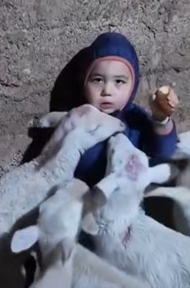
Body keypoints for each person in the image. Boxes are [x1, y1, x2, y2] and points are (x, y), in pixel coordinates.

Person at [70, 32, 179, 186]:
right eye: (98, 80)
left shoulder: (134, 120)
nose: (107, 90)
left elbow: (163, 154)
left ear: (133, 85)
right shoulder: (76, 122)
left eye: (119, 81)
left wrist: (161, 119)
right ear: (84, 82)